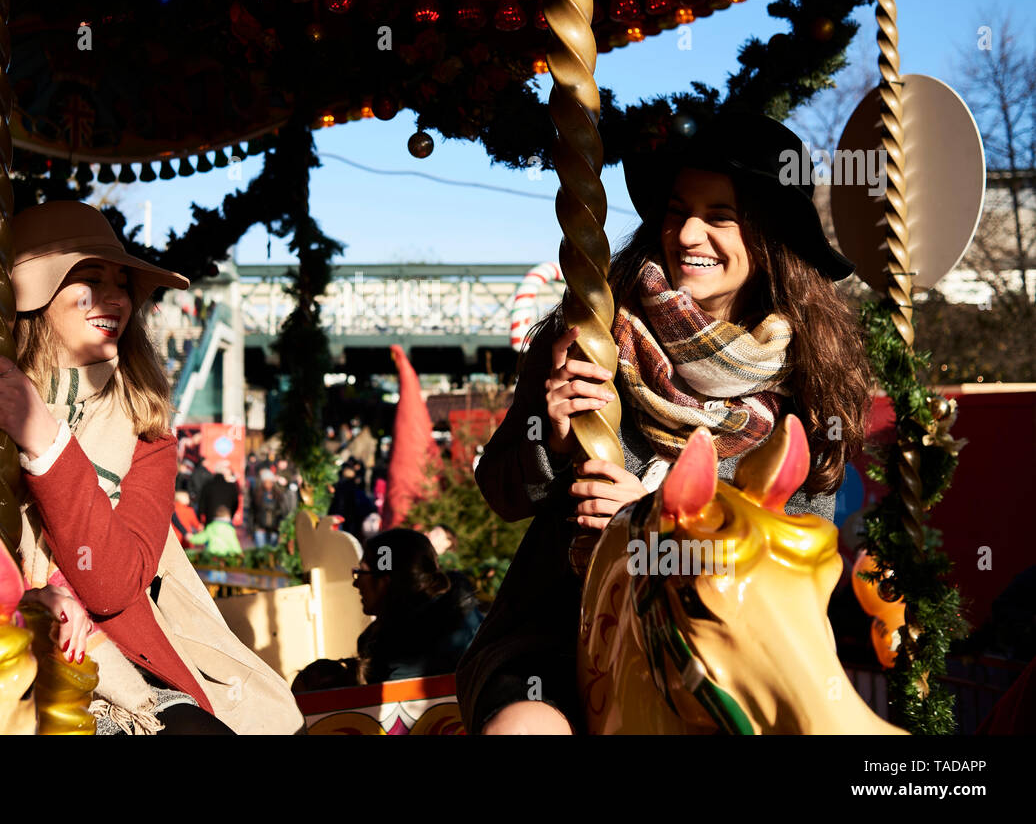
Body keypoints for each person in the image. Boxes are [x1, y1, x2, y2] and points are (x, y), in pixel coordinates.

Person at [457, 114, 873, 735]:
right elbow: (501, 492)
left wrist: (648, 523)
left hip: (717, 660)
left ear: (766, 235)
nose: (689, 233)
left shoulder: (805, 393)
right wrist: (550, 432)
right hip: (563, 643)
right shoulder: (588, 336)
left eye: (719, 215)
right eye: (678, 210)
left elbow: (788, 560)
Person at [0, 201, 302, 735]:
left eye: (120, 283)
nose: (114, 299)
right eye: (89, 280)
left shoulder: (147, 430)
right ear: (30, 299)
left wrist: (45, 443)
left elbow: (113, 586)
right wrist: (14, 611)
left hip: (118, 672)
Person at [353, 529, 483, 684]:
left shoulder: (409, 652)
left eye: (361, 572)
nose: (355, 582)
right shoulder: (456, 620)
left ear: (385, 581)